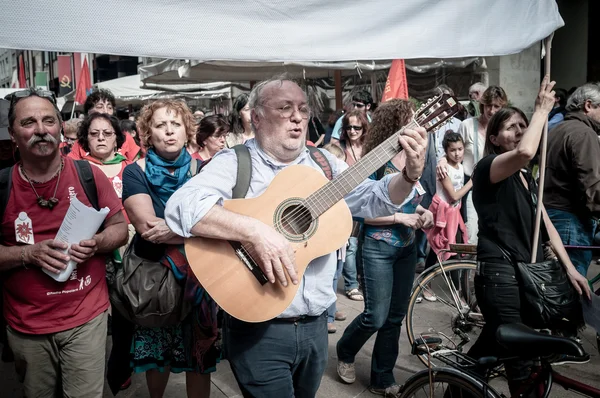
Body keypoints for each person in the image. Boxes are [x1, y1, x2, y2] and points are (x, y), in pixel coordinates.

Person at [163, 76, 428, 398]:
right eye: (285, 108)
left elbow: (373, 198)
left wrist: (409, 175)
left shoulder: (323, 163)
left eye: (303, 108)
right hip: (259, 327)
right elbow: (181, 207)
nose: (298, 116)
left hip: (316, 327)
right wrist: (255, 231)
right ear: (257, 117)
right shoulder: (236, 162)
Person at [0, 88, 127, 398]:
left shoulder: (88, 175)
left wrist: (97, 243)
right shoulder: (2, 185)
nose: (41, 130)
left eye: (48, 121)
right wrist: (28, 254)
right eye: (28, 122)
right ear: (12, 133)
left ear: (60, 127)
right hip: (26, 325)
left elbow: (120, 227)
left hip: (86, 316)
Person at [467, 77, 590, 395]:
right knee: (521, 366)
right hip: (500, 277)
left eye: (524, 124)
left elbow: (546, 224)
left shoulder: (525, 178)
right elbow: (525, 151)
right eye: (512, 126)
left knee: (490, 352)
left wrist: (571, 268)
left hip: (527, 276)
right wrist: (539, 111)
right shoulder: (487, 168)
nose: (520, 130)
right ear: (494, 137)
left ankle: (453, 383)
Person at [121, 99, 219, 398]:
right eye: (160, 125)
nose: (169, 131)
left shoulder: (206, 170)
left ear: (187, 129)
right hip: (154, 283)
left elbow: (219, 222)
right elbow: (149, 229)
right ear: (147, 133)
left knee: (200, 359)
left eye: (176, 124)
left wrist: (177, 230)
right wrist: (196, 230)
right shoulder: (133, 172)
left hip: (201, 279)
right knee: (156, 355)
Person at [336, 99, 434, 397]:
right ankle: (345, 348)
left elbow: (419, 199)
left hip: (407, 245)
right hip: (377, 246)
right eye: (411, 118)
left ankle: (382, 376)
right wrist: (398, 216)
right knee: (375, 316)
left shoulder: (419, 155)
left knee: (395, 316)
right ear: (395, 125)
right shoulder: (376, 160)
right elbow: (357, 209)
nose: (417, 122)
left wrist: (423, 214)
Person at [438, 85, 508, 245]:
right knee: (470, 235)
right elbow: (453, 148)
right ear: (482, 105)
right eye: (488, 105)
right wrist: (443, 159)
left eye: (496, 106)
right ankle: (467, 268)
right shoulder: (468, 125)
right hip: (471, 184)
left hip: (497, 185)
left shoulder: (503, 129)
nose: (491, 110)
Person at [544, 82, 600, 277]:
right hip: (570, 220)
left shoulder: (558, 129)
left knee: (558, 288)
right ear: (588, 105)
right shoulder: (585, 133)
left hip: (553, 216)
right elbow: (592, 186)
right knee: (572, 290)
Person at [425, 132, 470, 261]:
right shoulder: (444, 169)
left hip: (454, 214)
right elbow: (454, 196)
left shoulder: (460, 167)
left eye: (460, 149)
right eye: (453, 150)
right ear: (446, 151)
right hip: (444, 214)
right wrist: (472, 181)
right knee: (440, 248)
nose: (457, 154)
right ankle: (430, 278)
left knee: (445, 249)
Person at [69, 89, 141, 161]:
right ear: (88, 112)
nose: (106, 111)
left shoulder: (126, 138)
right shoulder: (80, 143)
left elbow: (135, 166)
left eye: (109, 107)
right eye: (100, 107)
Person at [322, 142, 348, 334]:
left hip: (341, 239)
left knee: (336, 275)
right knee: (329, 277)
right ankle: (328, 316)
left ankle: (332, 309)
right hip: (328, 237)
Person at [76, 113, 130, 200]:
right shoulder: (77, 170)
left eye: (107, 133)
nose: (101, 138)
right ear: (86, 139)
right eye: (94, 133)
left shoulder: (130, 168)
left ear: (116, 140)